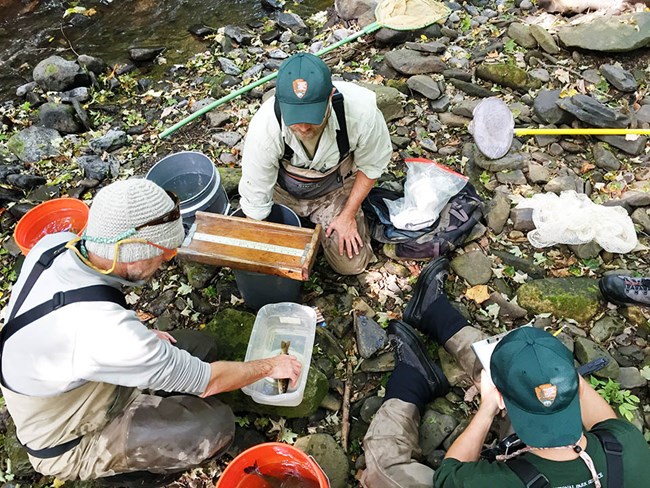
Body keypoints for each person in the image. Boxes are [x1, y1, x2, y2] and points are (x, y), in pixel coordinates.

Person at [0, 179, 302, 486]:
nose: (167, 260)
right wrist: (269, 366)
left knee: (202, 346)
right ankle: (129, 474)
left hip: (90, 381)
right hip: (72, 437)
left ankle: (150, 410)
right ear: (132, 250)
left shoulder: (55, 245)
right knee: (216, 427)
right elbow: (210, 382)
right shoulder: (107, 333)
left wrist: (136, 342)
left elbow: (89, 322)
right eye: (163, 252)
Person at [361, 258, 650, 488]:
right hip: (560, 455)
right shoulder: (625, 448)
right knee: (527, 379)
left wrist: (487, 408)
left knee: (383, 468)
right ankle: (433, 314)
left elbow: (449, 473)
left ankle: (412, 381)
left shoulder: (491, 482)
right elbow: (578, 393)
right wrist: (549, 372)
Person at [238, 52, 392, 275]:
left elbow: (372, 166)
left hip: (334, 189)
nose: (303, 128)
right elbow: (256, 192)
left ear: (330, 96)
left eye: (312, 117)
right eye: (295, 118)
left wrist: (348, 216)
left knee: (351, 265)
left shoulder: (361, 112)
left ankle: (337, 225)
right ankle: (307, 228)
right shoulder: (265, 126)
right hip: (282, 192)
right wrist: (258, 247)